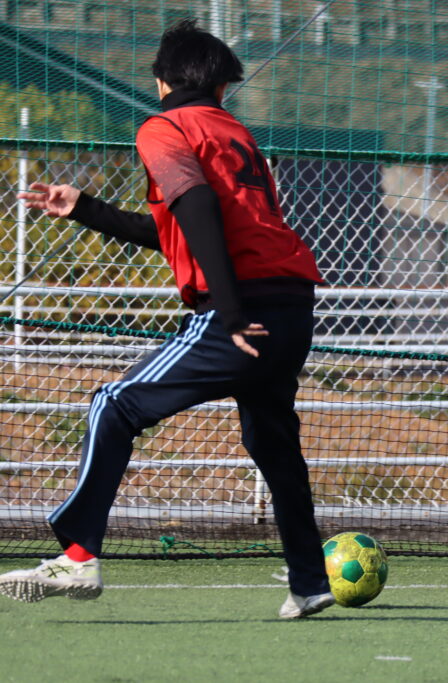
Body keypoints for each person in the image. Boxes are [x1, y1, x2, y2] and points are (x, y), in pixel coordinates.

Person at [0, 19, 335, 619]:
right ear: (223, 87)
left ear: (161, 82)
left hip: (242, 310)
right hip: (293, 307)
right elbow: (178, 229)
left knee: (113, 404)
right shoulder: (236, 134)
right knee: (274, 443)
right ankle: (309, 582)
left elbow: (197, 206)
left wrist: (229, 313)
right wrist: (85, 208)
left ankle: (78, 555)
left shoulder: (163, 128)